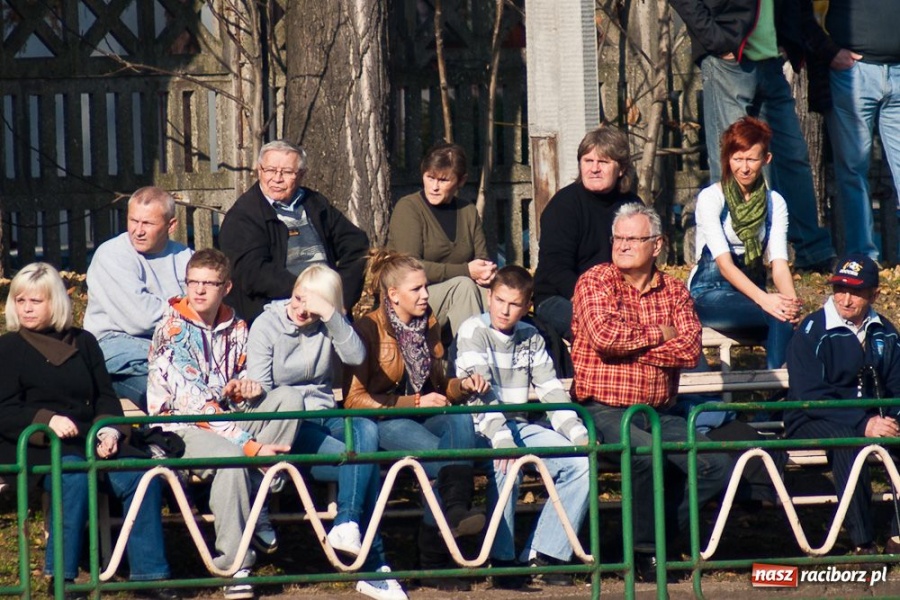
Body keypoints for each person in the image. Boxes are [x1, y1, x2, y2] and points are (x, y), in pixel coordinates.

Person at [571, 203, 730, 582]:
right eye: (618, 238)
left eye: (633, 238)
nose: (622, 245)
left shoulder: (674, 291)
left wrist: (634, 348)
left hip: (660, 411)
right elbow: (605, 337)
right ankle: (645, 555)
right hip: (603, 409)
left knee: (715, 465)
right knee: (644, 454)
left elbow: (689, 349)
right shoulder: (596, 281)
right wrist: (660, 335)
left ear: (656, 245)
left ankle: (644, 542)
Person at [0, 263, 179, 600]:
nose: (26, 308)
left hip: (88, 439)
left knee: (141, 475)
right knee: (74, 475)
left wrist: (109, 431)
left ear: (55, 302)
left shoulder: (84, 342)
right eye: (20, 300)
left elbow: (105, 398)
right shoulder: (9, 348)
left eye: (35, 301)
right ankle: (62, 577)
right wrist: (45, 420)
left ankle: (149, 575)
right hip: (34, 442)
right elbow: (4, 410)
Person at [147, 249, 301, 600]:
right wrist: (251, 447)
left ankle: (255, 498)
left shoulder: (237, 326)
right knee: (231, 455)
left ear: (226, 287)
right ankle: (235, 565)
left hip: (230, 416)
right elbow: (194, 406)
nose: (199, 291)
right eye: (193, 282)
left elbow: (242, 374)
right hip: (181, 428)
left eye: (209, 284)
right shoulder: (171, 330)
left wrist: (247, 386)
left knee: (290, 400)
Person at [246, 265, 406, 600]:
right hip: (289, 423)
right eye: (298, 298)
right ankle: (374, 568)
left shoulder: (323, 323)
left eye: (312, 304)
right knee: (365, 465)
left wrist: (331, 316)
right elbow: (260, 391)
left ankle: (346, 526)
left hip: (324, 414)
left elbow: (355, 355)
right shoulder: (268, 324)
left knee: (362, 427)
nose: (301, 309)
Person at [343, 249, 490, 592]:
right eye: (417, 289)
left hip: (425, 414)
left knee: (460, 421)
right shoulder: (368, 328)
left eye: (426, 287)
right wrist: (415, 401)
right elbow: (355, 399)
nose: (426, 295)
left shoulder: (429, 323)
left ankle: (448, 522)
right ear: (393, 295)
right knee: (444, 460)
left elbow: (441, 387)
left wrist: (463, 386)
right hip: (384, 418)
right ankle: (437, 553)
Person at [668, 0, 836, 272]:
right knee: (737, 163)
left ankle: (812, 252)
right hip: (730, 60)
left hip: (770, 60)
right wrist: (716, 40)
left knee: (793, 157)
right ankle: (740, 259)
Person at [454, 265, 590, 588]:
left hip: (518, 424)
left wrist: (578, 434)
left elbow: (550, 390)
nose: (505, 310)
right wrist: (503, 441)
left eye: (514, 304)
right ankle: (501, 560)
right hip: (480, 428)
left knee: (579, 463)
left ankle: (546, 553)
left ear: (527, 305)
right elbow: (480, 398)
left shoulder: (531, 336)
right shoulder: (473, 330)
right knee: (506, 464)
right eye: (499, 300)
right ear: (489, 297)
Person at [785, 254, 900, 557]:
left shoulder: (885, 332)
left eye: (856, 292)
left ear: (874, 294)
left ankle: (897, 535)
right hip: (810, 416)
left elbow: (897, 385)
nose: (845, 299)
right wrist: (864, 424)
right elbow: (807, 395)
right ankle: (862, 542)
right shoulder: (812, 332)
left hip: (872, 417)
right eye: (839, 289)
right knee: (849, 442)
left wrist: (891, 418)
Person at [689, 116, 801, 369]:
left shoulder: (775, 203)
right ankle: (777, 399)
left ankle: (776, 404)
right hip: (710, 291)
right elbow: (725, 264)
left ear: (766, 159)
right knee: (777, 315)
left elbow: (779, 264)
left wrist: (791, 303)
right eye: (737, 159)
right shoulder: (712, 198)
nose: (744, 168)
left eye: (752, 159)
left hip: (752, 293)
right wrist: (767, 301)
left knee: (789, 323)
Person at [219, 140, 370, 324]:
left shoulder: (315, 204)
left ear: (301, 175)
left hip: (328, 308)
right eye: (270, 170)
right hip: (275, 315)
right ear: (259, 170)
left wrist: (341, 297)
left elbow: (357, 245)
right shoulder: (243, 216)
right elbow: (253, 274)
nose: (277, 178)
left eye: (287, 172)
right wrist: (306, 295)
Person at [806, 0, 900, 262]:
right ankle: (863, 259)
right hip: (854, 74)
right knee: (852, 168)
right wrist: (829, 51)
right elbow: (803, 10)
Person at [84, 186, 193, 409]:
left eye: (148, 224)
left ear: (171, 225)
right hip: (116, 345)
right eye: (133, 221)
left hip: (169, 346)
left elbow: (209, 305)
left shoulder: (185, 257)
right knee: (169, 391)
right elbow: (140, 318)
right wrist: (187, 311)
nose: (138, 231)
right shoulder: (113, 255)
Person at [533, 125, 642, 341]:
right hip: (561, 297)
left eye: (603, 162)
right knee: (606, 333)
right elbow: (557, 271)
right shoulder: (563, 206)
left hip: (620, 299)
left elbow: (643, 261)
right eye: (587, 161)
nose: (594, 168)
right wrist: (596, 303)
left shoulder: (633, 205)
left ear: (620, 169)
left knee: (673, 329)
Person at [387, 142, 496, 339]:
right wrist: (466, 271)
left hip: (460, 291)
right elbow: (409, 269)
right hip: (412, 296)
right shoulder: (409, 208)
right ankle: (470, 363)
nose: (434, 187)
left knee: (492, 296)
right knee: (463, 288)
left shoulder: (468, 211)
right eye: (430, 178)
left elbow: (482, 259)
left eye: (443, 180)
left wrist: (486, 274)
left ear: (461, 181)